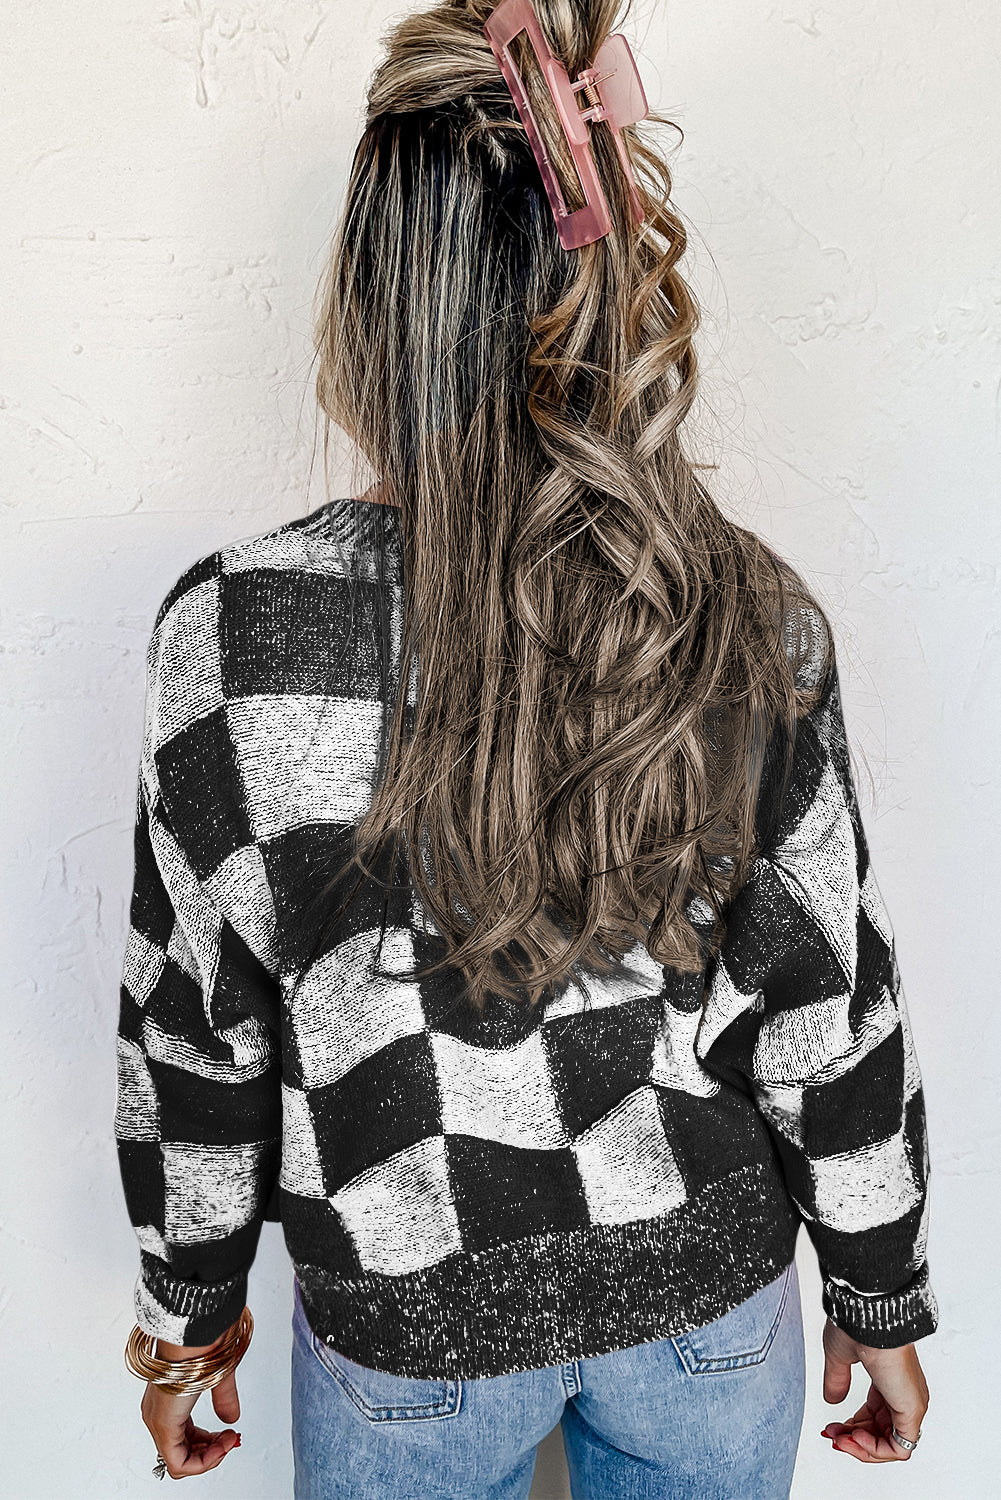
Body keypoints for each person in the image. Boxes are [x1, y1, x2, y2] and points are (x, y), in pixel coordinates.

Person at [114, 0, 938, 1494]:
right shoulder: (737, 605)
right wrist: (876, 1291)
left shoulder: (231, 637)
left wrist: (186, 1325)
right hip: (708, 1318)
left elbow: (197, 1032)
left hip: (404, 1338)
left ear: (373, 293)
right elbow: (826, 996)